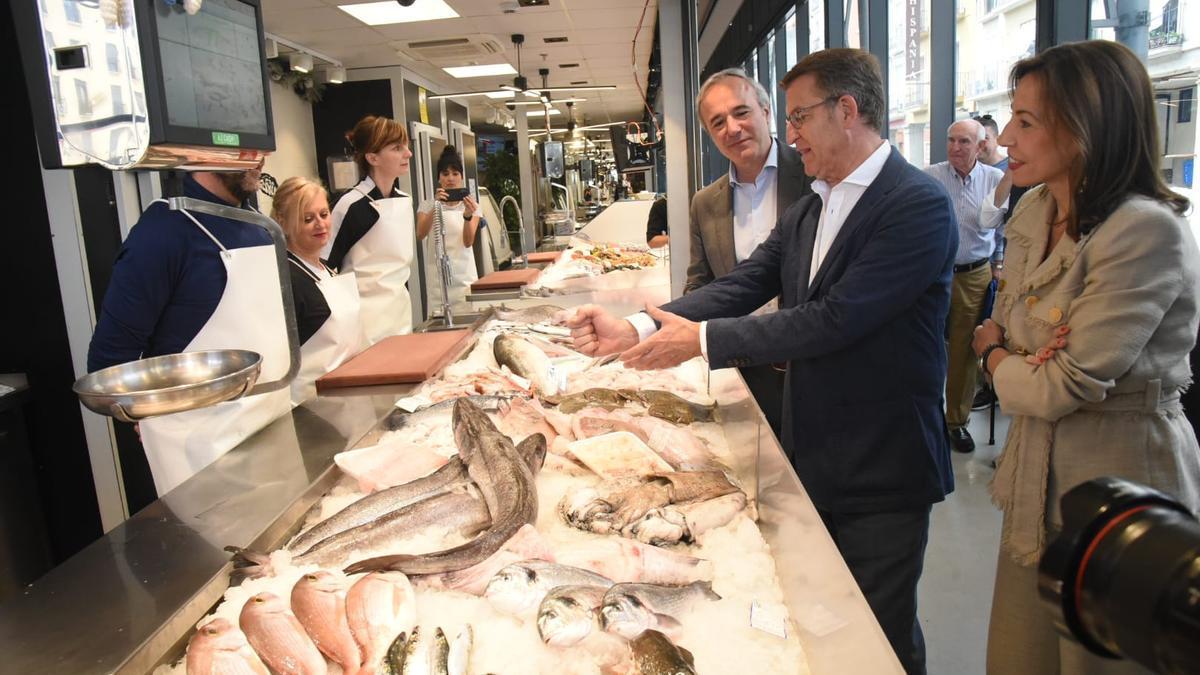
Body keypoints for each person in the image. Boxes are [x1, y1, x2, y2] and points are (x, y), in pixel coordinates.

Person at [568, 48, 956, 674]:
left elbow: (836, 320)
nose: (791, 133)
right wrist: (637, 325)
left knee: (877, 635)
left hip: (882, 463)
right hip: (814, 448)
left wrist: (698, 343)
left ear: (847, 110)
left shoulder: (915, 204)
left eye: (799, 117)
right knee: (821, 616)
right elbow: (744, 283)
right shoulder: (815, 205)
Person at [969, 40, 1200, 675]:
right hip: (1035, 469)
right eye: (1011, 117)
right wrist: (1018, 351)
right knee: (1023, 653)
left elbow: (1055, 382)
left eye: (1027, 121)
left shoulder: (1144, 230)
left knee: (1103, 656)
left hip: (1122, 472)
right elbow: (1014, 333)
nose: (1006, 136)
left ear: (1088, 127)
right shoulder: (1036, 208)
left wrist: (994, 357)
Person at [86, 161, 294, 497]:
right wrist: (149, 420)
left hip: (271, 425)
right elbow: (110, 359)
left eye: (259, 145)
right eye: (240, 144)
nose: (258, 157)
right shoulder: (162, 233)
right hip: (201, 451)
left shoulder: (259, 227)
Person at [686, 67, 812, 439]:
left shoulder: (814, 175)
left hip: (809, 363)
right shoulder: (705, 203)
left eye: (741, 112)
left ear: (767, 112)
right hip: (743, 368)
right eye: (717, 122)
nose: (732, 128)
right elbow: (700, 283)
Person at [924, 119, 1006, 453]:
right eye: (951, 140)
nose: (956, 148)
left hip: (975, 273)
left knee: (962, 351)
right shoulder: (931, 176)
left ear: (981, 145)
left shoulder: (995, 179)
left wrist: (999, 263)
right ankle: (925, 416)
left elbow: (1001, 228)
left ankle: (955, 422)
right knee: (926, 344)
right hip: (933, 272)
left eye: (964, 142)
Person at [271, 176, 365, 405]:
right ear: (283, 223)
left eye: (324, 214)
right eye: (307, 219)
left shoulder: (327, 271)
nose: (321, 224)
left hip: (348, 396)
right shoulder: (286, 278)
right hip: (311, 407)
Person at [325, 115, 415, 344]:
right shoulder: (350, 205)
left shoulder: (405, 200)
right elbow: (323, 267)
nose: (408, 154)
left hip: (400, 315)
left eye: (406, 146)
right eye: (397, 148)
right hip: (364, 325)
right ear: (373, 157)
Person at [416, 145, 481, 308]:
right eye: (445, 174)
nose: (450, 178)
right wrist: (436, 205)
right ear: (439, 178)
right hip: (438, 281)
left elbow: (468, 242)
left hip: (464, 278)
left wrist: (467, 215)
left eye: (455, 173)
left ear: (461, 177)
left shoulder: (473, 206)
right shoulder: (427, 205)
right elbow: (420, 234)